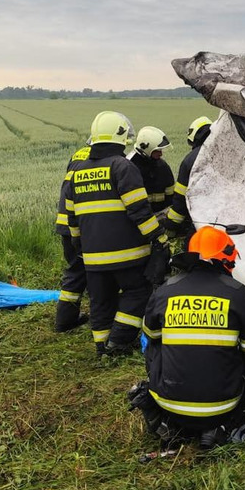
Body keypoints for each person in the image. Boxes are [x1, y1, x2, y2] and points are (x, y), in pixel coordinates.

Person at [131, 225, 245, 449]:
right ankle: (221, 426)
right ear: (227, 259)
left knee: (155, 343)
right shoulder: (239, 294)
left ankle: (164, 418)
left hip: (169, 404)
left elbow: (151, 336)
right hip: (222, 407)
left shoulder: (164, 291)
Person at [62, 111, 171, 356]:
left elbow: (72, 218)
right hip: (127, 255)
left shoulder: (77, 171)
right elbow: (139, 211)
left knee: (101, 301)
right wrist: (158, 237)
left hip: (92, 257)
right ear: (120, 136)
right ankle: (118, 342)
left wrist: (81, 247)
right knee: (139, 292)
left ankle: (101, 347)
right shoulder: (123, 167)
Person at [52, 143, 91, 332]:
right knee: (88, 272)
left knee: (75, 272)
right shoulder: (102, 159)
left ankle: (64, 321)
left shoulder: (78, 155)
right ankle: (98, 317)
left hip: (66, 223)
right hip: (81, 225)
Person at [164, 116, 213, 242]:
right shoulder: (229, 153)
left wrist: (170, 226)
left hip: (200, 224)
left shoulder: (190, 160)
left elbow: (181, 199)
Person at [127, 126, 175, 216]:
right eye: (157, 150)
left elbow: (171, 196)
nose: (161, 154)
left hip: (161, 215)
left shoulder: (163, 167)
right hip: (137, 219)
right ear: (146, 148)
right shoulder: (129, 167)